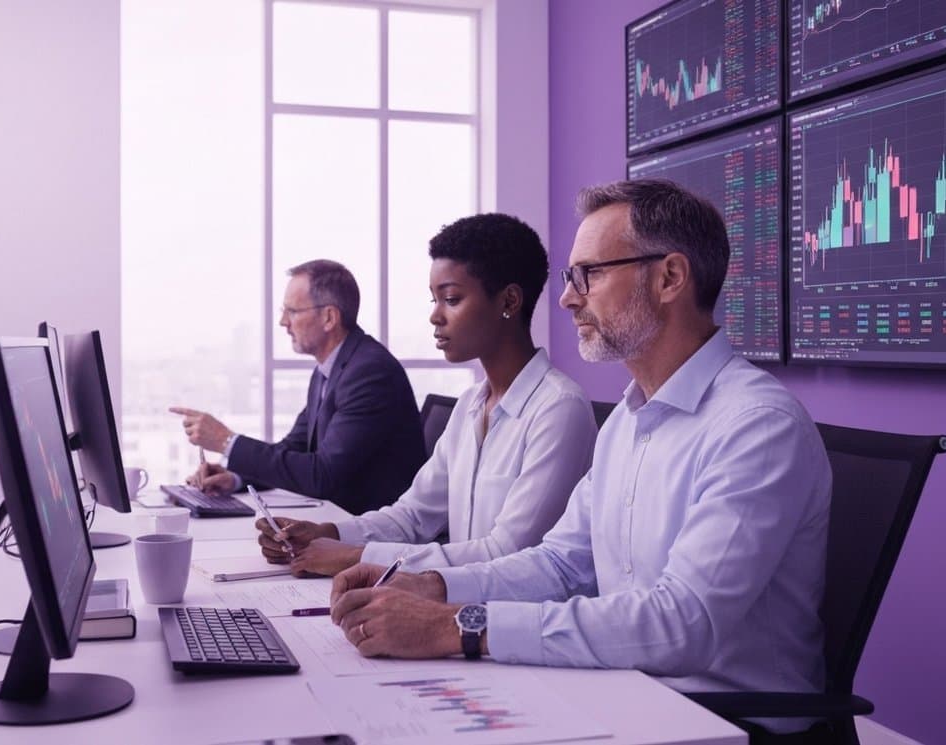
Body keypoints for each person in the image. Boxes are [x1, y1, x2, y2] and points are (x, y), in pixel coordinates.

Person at [326, 180, 833, 741]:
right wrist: (433, 587)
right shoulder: (626, 421)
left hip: (723, 724)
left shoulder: (757, 425)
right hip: (625, 694)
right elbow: (562, 565)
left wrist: (458, 626)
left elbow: (681, 623)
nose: (568, 298)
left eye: (589, 274)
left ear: (669, 277)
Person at [255, 214, 598, 577]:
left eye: (451, 299)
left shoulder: (559, 409)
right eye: (434, 300)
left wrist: (356, 556)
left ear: (509, 301)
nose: (435, 316)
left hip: (506, 609)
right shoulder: (469, 405)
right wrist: (328, 533)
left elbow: (506, 553)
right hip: (454, 600)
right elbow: (413, 516)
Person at [172, 259, 426, 515]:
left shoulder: (369, 372)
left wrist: (226, 441)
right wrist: (236, 477)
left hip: (374, 527)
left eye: (292, 311)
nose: (283, 322)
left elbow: (323, 475)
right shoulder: (329, 369)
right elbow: (294, 449)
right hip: (338, 518)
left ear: (329, 317)